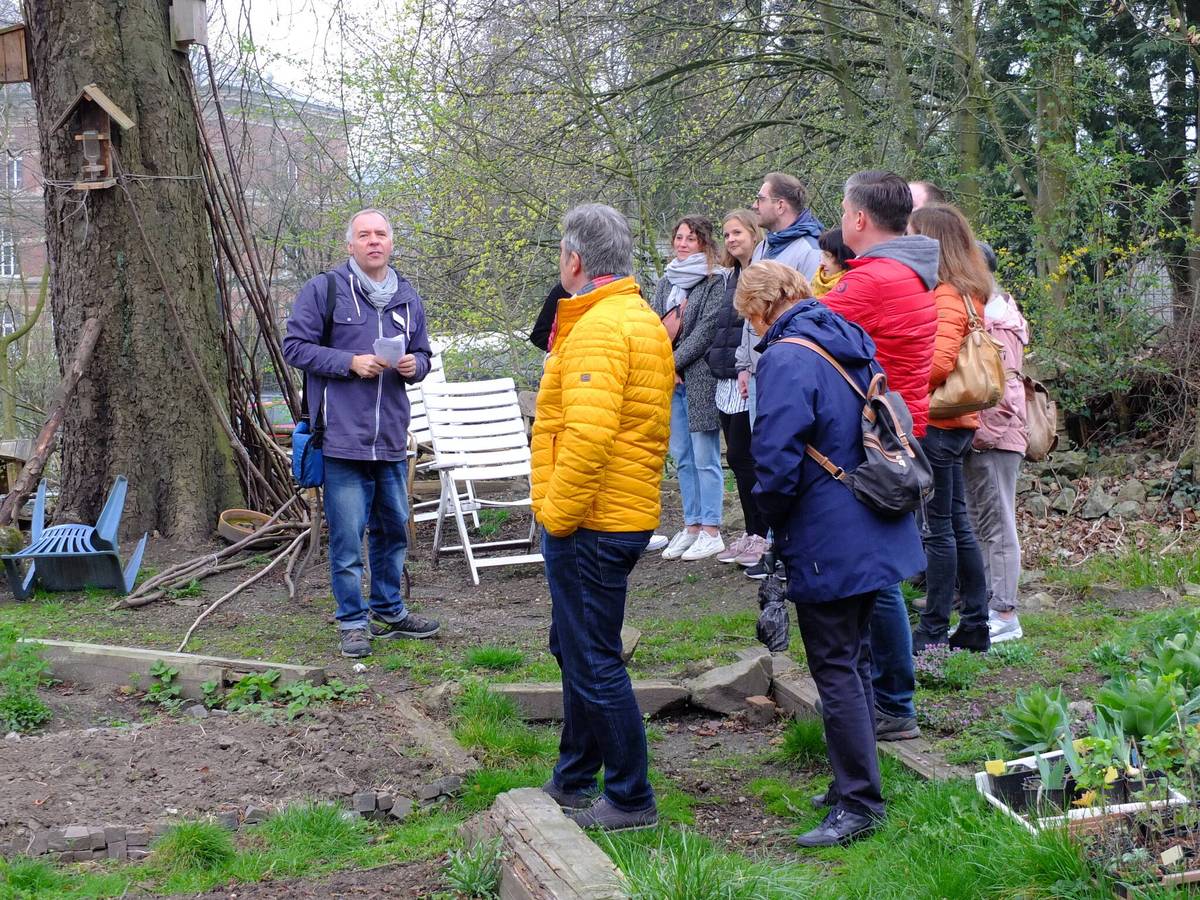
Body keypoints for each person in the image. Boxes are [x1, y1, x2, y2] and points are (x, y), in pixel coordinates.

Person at [737, 260, 924, 847]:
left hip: (828, 532)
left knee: (836, 667)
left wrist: (766, 518)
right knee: (858, 658)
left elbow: (775, 457)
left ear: (762, 307)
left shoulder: (787, 357)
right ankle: (854, 782)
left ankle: (860, 805)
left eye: (748, 315)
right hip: (871, 519)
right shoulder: (848, 339)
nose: (750, 326)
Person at [531, 203, 674, 831]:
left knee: (592, 658)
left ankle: (631, 798)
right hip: (618, 512)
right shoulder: (639, 318)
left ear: (575, 259)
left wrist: (556, 518)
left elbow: (586, 440)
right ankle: (573, 777)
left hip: (593, 521)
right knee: (576, 647)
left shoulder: (597, 328)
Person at [283, 208, 440, 659]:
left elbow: (424, 353)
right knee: (349, 539)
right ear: (349, 245)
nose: (374, 241)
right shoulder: (325, 289)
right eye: (364, 235)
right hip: (341, 439)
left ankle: (389, 610)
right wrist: (348, 363)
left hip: (391, 438)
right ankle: (353, 622)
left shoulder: (407, 298)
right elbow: (295, 347)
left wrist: (416, 366)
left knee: (393, 533)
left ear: (392, 242)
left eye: (381, 234)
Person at [820, 170, 940, 741]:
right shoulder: (908, 271)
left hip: (875, 443)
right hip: (899, 432)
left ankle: (892, 703)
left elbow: (804, 331)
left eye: (844, 212)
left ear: (860, 219)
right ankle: (888, 699)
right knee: (882, 573)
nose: (842, 221)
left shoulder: (874, 280)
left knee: (879, 578)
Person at [907, 203, 993, 653]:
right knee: (957, 523)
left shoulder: (944, 295)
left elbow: (938, 362)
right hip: (959, 420)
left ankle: (934, 628)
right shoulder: (969, 291)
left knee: (940, 528)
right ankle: (976, 623)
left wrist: (903, 385)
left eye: (917, 235)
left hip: (941, 421)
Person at [650, 216, 728, 561]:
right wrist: (666, 366)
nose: (682, 244)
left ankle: (712, 528)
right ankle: (692, 524)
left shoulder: (715, 281)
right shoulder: (666, 281)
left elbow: (706, 330)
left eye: (690, 239)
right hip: (672, 380)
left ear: (704, 243)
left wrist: (672, 363)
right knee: (682, 457)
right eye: (679, 237)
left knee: (704, 456)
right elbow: (653, 323)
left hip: (698, 378)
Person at [965, 242, 1028, 643]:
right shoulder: (989, 315)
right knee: (982, 523)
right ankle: (989, 607)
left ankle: (1005, 613)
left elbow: (1006, 389)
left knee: (998, 525)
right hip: (985, 436)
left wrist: (981, 436)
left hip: (995, 439)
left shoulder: (998, 320)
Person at [707, 210, 769, 569]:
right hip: (727, 375)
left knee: (749, 457)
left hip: (750, 374)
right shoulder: (731, 276)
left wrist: (746, 366)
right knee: (736, 456)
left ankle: (762, 534)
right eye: (726, 234)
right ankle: (749, 530)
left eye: (737, 232)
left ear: (753, 231)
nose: (730, 239)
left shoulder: (762, 271)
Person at [749, 172, 823, 278]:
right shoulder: (762, 247)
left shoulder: (811, 252)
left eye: (760, 199)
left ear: (780, 206)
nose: (754, 205)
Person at [811, 228, 855, 297]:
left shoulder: (851, 289)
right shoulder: (816, 280)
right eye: (823, 254)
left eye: (828, 256)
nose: (821, 263)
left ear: (842, 258)